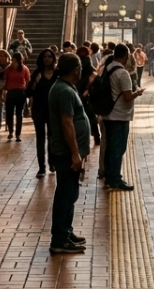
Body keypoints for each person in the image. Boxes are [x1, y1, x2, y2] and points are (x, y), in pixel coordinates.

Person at [48, 52, 90, 254]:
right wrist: (75, 153)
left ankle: (66, 231)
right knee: (66, 194)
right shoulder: (64, 91)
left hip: (68, 151)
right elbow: (67, 124)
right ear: (75, 70)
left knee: (68, 193)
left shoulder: (65, 87)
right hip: (66, 153)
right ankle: (60, 239)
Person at [103, 44, 143, 191]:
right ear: (126, 56)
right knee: (118, 149)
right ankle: (115, 180)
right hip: (119, 116)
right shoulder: (123, 73)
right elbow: (127, 96)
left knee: (110, 148)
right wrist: (137, 93)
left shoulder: (108, 68)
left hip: (108, 114)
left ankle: (109, 177)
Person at [28, 48, 59, 177]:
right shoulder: (37, 74)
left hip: (54, 111)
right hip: (39, 110)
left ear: (53, 59)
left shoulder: (58, 74)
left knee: (52, 138)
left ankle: (52, 163)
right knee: (40, 139)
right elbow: (28, 92)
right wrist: (34, 83)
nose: (47, 59)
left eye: (49, 57)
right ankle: (41, 167)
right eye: (45, 57)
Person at [2, 52, 30, 142]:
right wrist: (4, 91)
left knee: (19, 114)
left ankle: (18, 134)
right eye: (13, 60)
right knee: (9, 113)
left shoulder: (24, 69)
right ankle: (10, 131)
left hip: (20, 92)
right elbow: (5, 81)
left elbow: (28, 80)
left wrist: (26, 91)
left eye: (15, 60)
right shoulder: (8, 69)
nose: (14, 62)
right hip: (10, 92)